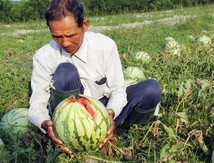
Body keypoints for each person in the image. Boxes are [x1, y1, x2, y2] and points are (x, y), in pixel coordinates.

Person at [28, 0, 162, 154]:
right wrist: (45, 124)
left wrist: (110, 112)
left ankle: (126, 129)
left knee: (151, 89)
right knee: (65, 72)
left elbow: (118, 91)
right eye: (57, 36)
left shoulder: (105, 46)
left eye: (71, 35)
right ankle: (68, 137)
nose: (64, 43)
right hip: (67, 114)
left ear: (85, 25)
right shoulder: (43, 56)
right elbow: (37, 103)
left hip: (102, 107)